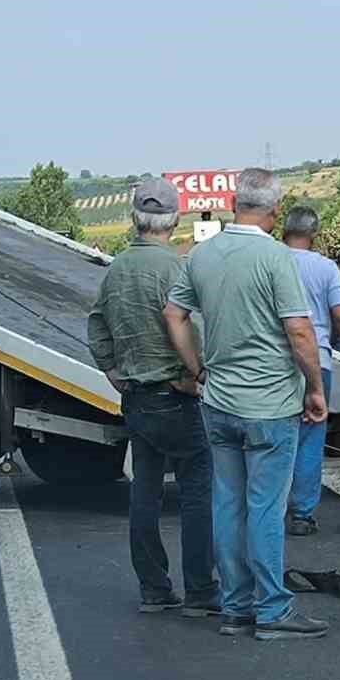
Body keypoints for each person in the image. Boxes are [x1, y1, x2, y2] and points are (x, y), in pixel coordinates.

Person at [163, 168, 331, 641]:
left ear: (236, 203)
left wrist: (197, 368)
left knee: (228, 503)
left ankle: (236, 607)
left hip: (217, 402)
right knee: (265, 507)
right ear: (275, 212)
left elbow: (174, 314)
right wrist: (315, 388)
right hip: (270, 404)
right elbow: (299, 332)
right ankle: (273, 609)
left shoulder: (203, 254)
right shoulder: (278, 258)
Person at [85, 177, 218, 616]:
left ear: (134, 219)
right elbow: (188, 326)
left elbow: (97, 324)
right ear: (175, 219)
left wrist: (113, 371)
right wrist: (195, 373)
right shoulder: (178, 269)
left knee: (145, 492)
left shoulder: (117, 268)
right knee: (198, 491)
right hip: (176, 396)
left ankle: (154, 589)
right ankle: (200, 591)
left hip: (137, 398)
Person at [279, 207, 340, 537]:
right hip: (317, 363)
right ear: (314, 233)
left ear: (284, 230)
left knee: (276, 438)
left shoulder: (268, 260)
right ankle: (302, 514)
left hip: (274, 364)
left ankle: (267, 511)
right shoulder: (324, 268)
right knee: (310, 439)